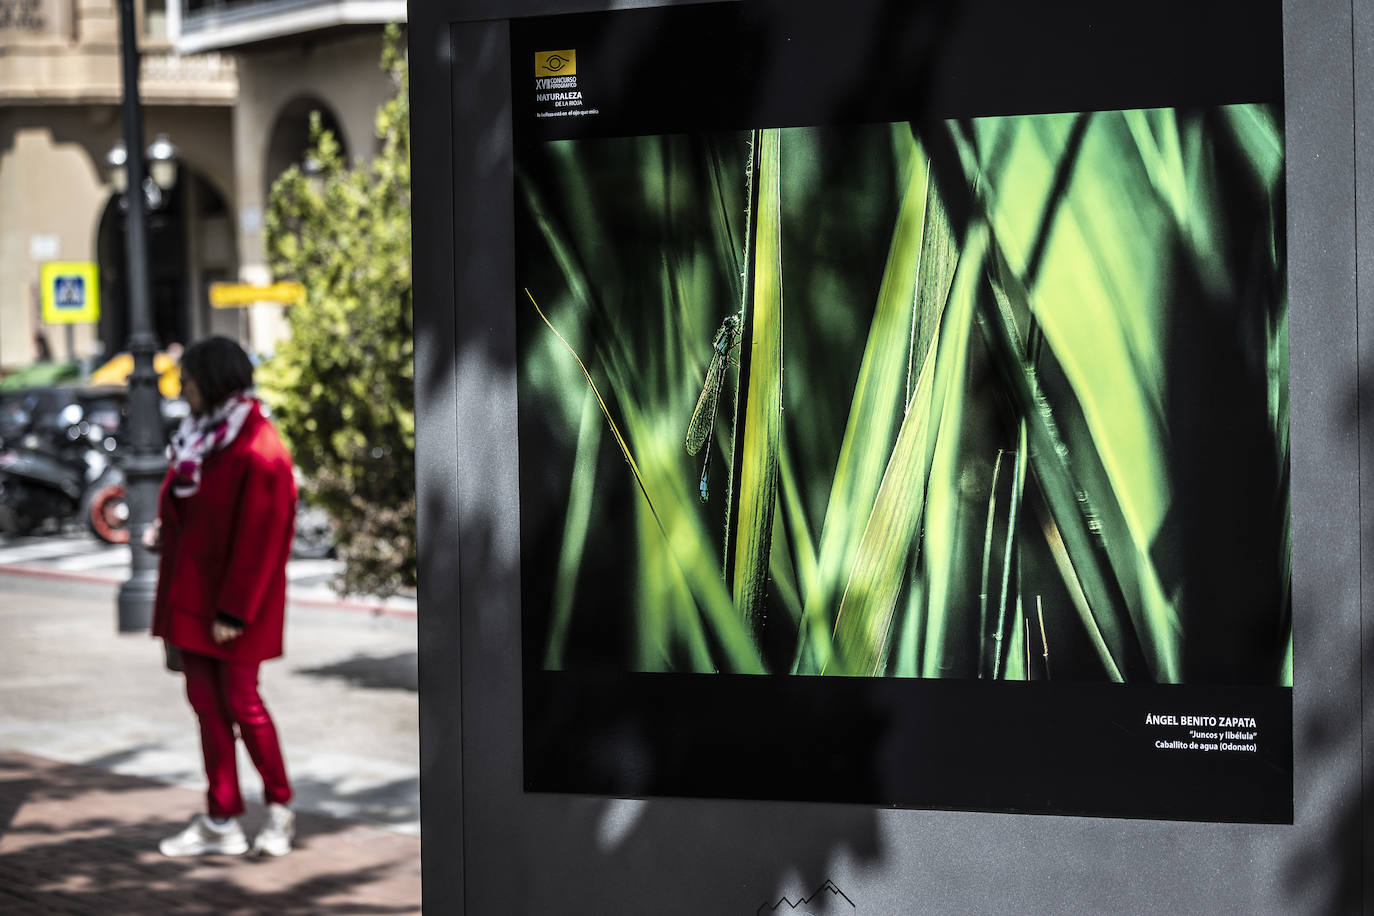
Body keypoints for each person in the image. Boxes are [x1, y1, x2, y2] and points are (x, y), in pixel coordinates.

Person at [146, 335, 298, 857]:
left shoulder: (259, 445)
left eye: (185, 377)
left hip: (235, 606)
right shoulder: (199, 437)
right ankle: (222, 818)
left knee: (242, 703)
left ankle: (279, 807)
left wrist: (235, 609)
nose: (180, 387)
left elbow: (262, 535)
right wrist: (163, 529)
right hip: (192, 596)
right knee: (207, 707)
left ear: (210, 381)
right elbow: (193, 507)